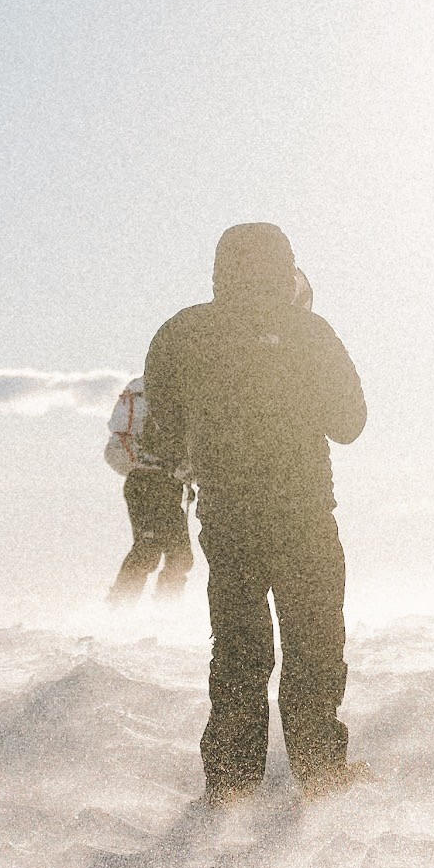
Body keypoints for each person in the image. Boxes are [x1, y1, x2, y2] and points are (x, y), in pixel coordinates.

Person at [137, 223, 367, 803]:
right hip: (304, 513)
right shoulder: (309, 331)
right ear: (285, 267)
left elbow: (162, 434)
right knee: (314, 642)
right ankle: (321, 774)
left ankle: (231, 786)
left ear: (221, 270)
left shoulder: (182, 333)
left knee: (239, 648)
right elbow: (350, 424)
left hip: (228, 516)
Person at [103, 378, 194, 601]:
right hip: (155, 482)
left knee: (159, 551)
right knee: (168, 553)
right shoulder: (175, 393)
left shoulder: (152, 392)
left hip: (152, 482)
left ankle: (125, 606)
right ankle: (154, 606)